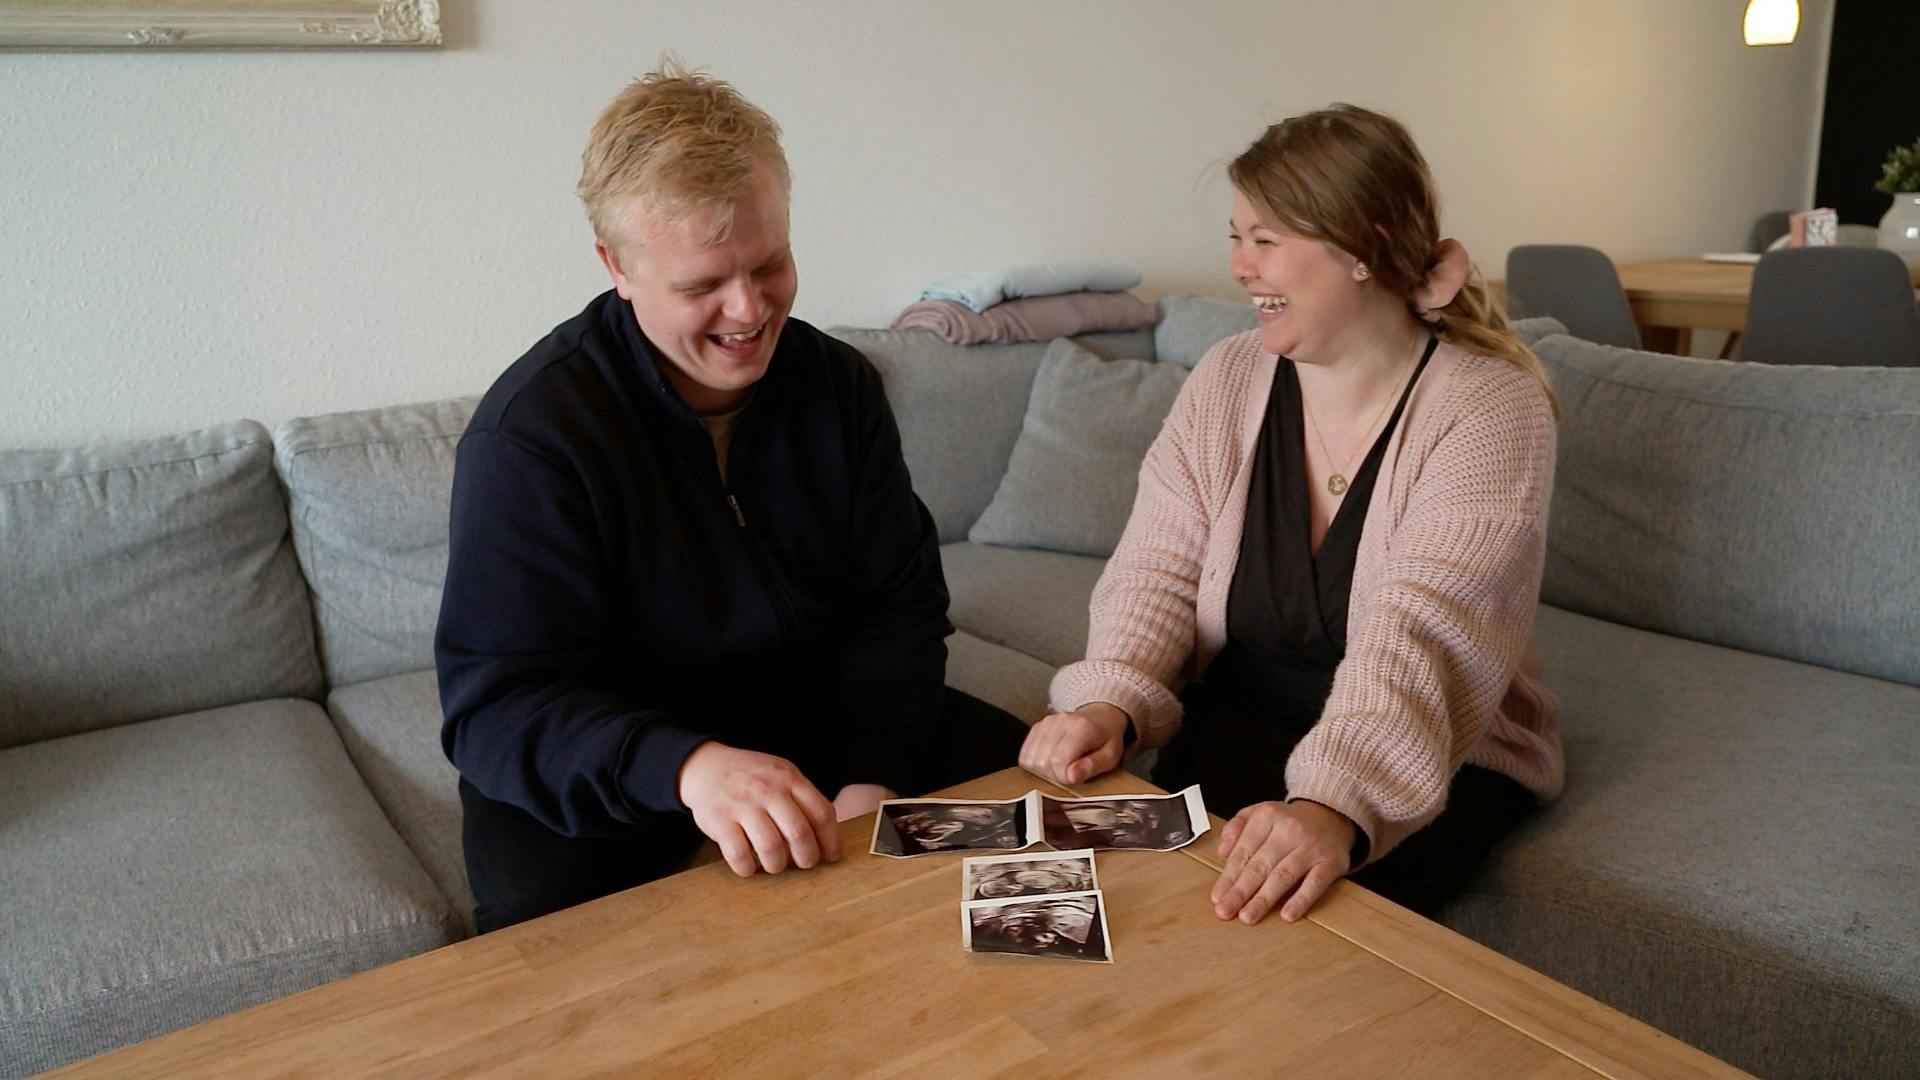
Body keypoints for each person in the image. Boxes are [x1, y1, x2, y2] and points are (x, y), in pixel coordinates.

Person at [436, 61, 1026, 933]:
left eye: (770, 263)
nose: (749, 312)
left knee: (1046, 801)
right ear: (616, 266)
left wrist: (876, 773)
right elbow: (498, 707)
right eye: (702, 285)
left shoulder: (839, 385)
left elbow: (901, 610)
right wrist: (691, 768)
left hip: (819, 721)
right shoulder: (531, 438)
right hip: (622, 764)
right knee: (553, 937)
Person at [1018, 104, 1564, 926]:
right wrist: (1112, 703)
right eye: (1235, 236)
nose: (1240, 267)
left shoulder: (1490, 408)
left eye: (1266, 239)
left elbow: (1430, 631)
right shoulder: (1227, 376)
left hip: (1419, 759)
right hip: (1237, 724)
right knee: (1076, 908)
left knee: (1279, 962)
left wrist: (1332, 808)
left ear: (1361, 249)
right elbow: (1156, 568)